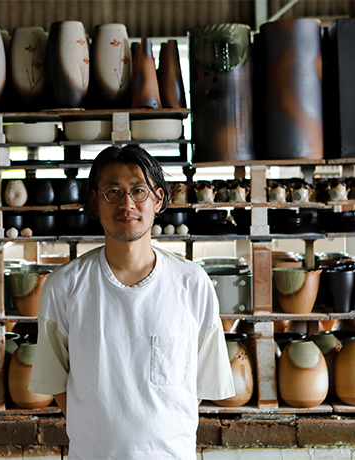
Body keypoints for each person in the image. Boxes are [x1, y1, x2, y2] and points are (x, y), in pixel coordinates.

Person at [29, 145, 234, 459]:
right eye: (113, 191)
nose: (127, 203)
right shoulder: (65, 287)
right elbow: (55, 378)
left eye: (139, 190)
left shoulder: (192, 284)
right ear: (95, 202)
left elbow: (203, 382)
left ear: (158, 199)